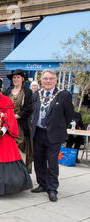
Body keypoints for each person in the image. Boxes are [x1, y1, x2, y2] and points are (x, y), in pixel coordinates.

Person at [31, 69, 74, 202]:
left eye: (51, 78)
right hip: (38, 133)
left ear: (55, 80)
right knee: (38, 161)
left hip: (54, 135)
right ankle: (42, 184)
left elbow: (69, 115)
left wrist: (59, 126)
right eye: (45, 79)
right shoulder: (36, 94)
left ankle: (52, 188)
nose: (48, 81)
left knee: (52, 162)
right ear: (41, 81)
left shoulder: (63, 95)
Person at [3, 69, 34, 173]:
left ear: (23, 79)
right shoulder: (7, 91)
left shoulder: (27, 92)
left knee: (20, 148)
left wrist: (15, 116)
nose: (15, 79)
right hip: (7, 125)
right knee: (7, 149)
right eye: (14, 77)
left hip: (20, 125)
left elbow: (29, 108)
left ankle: (21, 174)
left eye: (18, 77)